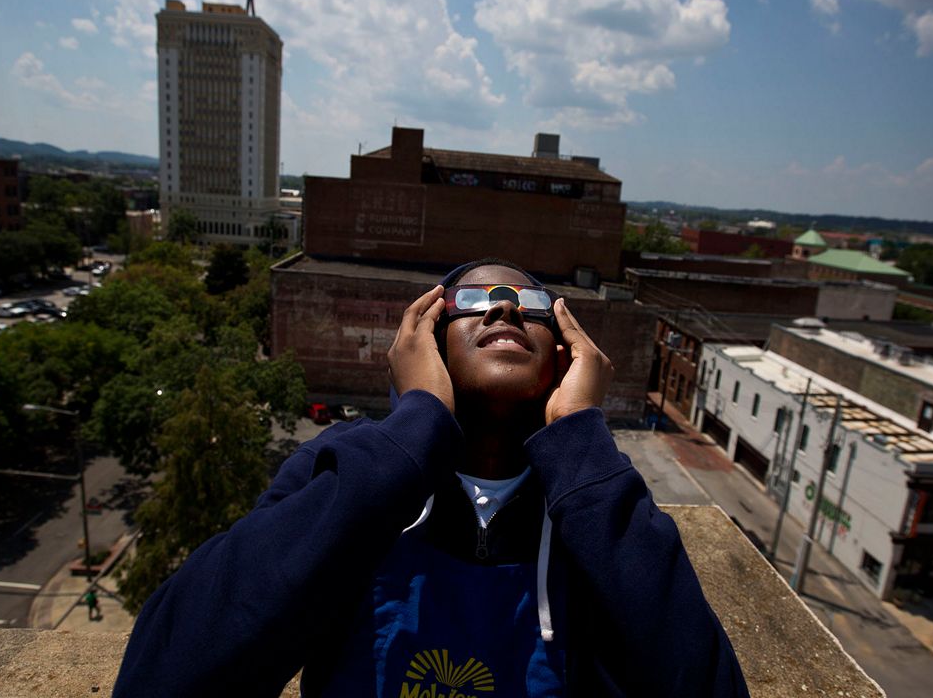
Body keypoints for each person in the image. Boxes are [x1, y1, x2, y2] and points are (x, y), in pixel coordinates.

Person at [114, 259, 749, 696]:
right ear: (425, 345)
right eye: (472, 300)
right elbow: (166, 673)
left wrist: (580, 434)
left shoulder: (594, 502)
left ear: (566, 354)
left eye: (530, 304)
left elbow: (701, 682)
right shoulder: (345, 466)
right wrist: (415, 425)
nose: (503, 306)